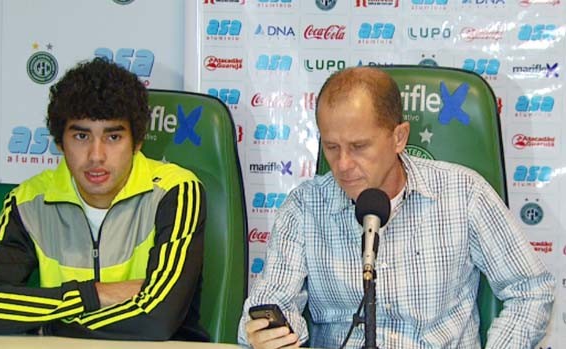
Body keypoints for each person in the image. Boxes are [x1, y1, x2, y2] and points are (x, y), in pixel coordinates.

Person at [238, 67, 555, 348]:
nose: (343, 165)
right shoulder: (304, 207)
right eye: (332, 147)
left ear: (399, 137)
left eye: (359, 146)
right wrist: (269, 334)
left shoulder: (464, 193)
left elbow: (531, 289)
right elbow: (271, 300)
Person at [0, 58, 209, 341]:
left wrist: (52, 328)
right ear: (60, 141)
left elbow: (158, 319)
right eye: (81, 136)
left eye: (113, 137)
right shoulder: (29, 201)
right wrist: (94, 294)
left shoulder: (175, 190)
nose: (96, 155)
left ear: (137, 143)